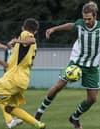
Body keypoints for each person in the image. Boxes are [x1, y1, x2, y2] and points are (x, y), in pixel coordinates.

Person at [35, 1, 100, 129]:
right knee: (58, 86)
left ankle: (74, 117)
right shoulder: (80, 24)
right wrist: (53, 29)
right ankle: (38, 113)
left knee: (92, 99)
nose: (86, 21)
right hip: (76, 63)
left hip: (92, 67)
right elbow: (70, 25)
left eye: (89, 19)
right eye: (84, 18)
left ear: (95, 16)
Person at [0, 18, 45, 129]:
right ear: (36, 31)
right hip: (22, 81)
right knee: (8, 108)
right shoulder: (28, 49)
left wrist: (17, 40)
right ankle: (38, 124)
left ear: (23, 28)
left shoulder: (25, 34)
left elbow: (31, 40)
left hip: (12, 79)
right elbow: (11, 66)